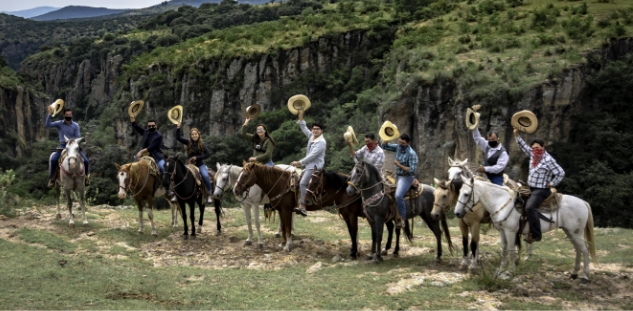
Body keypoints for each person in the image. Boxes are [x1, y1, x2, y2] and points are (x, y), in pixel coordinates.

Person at [514, 127, 565, 242]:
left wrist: (552, 183)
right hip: (530, 187)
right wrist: (516, 135)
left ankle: (536, 234)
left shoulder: (548, 160)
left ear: (543, 148)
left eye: (537, 148)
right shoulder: (533, 155)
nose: (535, 150)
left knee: (530, 207)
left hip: (541, 190)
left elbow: (561, 173)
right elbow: (523, 146)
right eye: (533, 148)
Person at [290, 110, 326, 217]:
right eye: (314, 128)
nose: (315, 130)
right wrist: (300, 115)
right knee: (296, 181)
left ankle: (303, 206)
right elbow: (303, 128)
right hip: (309, 166)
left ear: (321, 131)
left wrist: (299, 162)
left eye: (317, 129)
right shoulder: (312, 136)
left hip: (314, 167)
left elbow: (312, 156)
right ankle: (298, 202)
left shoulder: (321, 142)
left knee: (302, 183)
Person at [45, 107, 90, 187]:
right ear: (63, 115)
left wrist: (71, 144)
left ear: (72, 115)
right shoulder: (59, 123)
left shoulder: (76, 125)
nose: (68, 116)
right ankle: (52, 179)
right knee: (53, 159)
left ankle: (85, 178)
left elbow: (77, 137)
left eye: (70, 114)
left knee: (86, 161)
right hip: (63, 145)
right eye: (67, 115)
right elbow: (48, 125)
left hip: (73, 146)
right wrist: (49, 114)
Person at [381, 133, 418, 228]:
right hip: (397, 175)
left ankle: (402, 218)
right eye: (400, 142)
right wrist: (386, 137)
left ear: (408, 143)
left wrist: (399, 165)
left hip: (406, 177)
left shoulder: (412, 153)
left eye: (403, 143)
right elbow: (384, 146)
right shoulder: (397, 147)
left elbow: (412, 170)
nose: (401, 144)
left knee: (398, 195)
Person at [176, 122, 213, 203]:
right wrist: (178, 128)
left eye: (195, 134)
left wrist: (197, 157)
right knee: (180, 174)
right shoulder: (188, 142)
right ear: (190, 136)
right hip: (189, 164)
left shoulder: (202, 144)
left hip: (199, 164)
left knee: (206, 176)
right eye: (192, 134)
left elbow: (208, 154)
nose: (194, 135)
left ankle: (209, 193)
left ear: (198, 134)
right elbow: (178, 137)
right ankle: (177, 193)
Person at [130, 116, 167, 196]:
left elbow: (152, 147)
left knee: (163, 167)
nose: (151, 127)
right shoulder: (146, 132)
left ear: (156, 126)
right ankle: (133, 187)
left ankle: (168, 187)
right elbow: (136, 127)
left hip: (156, 156)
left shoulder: (159, 136)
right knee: (132, 168)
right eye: (149, 126)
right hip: (143, 156)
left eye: (152, 126)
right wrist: (132, 119)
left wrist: (141, 151)